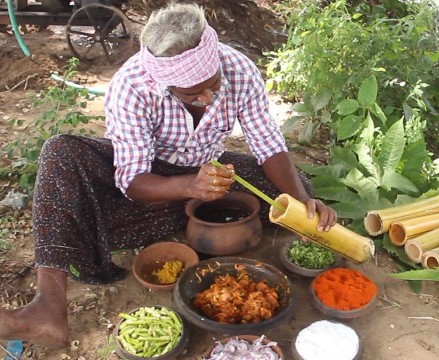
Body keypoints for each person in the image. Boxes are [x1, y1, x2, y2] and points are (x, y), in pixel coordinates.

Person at [0, 2, 337, 349]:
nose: (207, 99)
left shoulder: (238, 68)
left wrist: (302, 203)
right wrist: (189, 187)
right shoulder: (132, 85)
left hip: (207, 168)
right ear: (166, 83)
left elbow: (268, 145)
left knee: (294, 186)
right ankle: (48, 307)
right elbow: (131, 181)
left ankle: (184, 216)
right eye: (192, 93)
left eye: (213, 86)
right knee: (62, 152)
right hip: (150, 178)